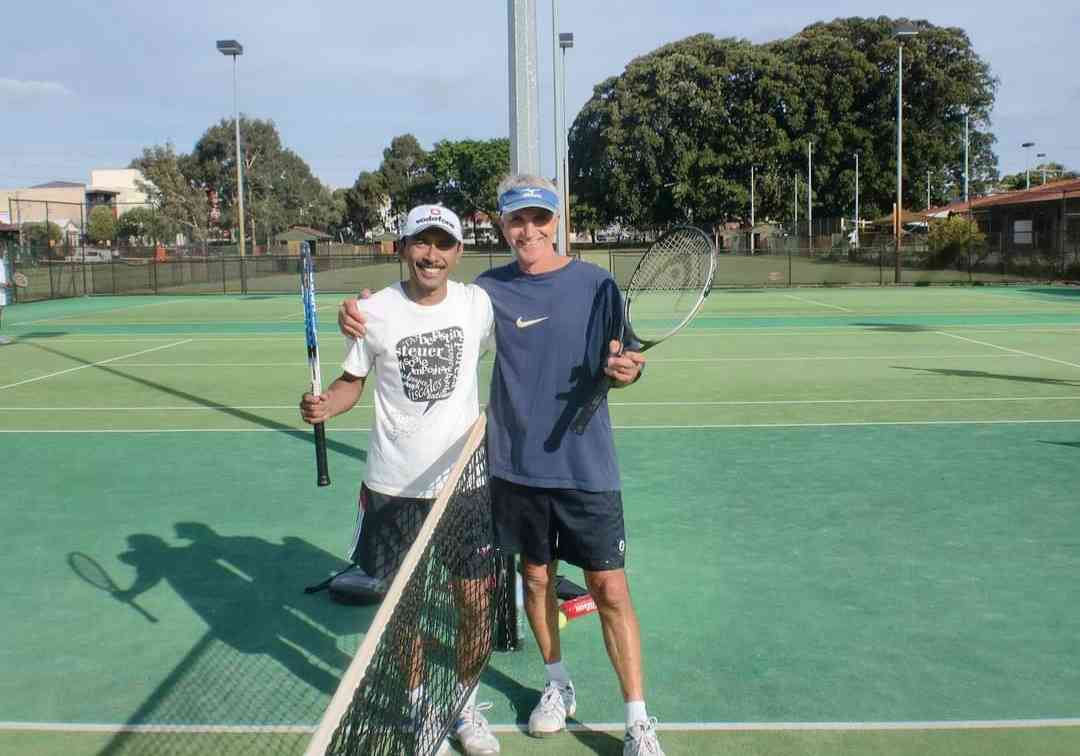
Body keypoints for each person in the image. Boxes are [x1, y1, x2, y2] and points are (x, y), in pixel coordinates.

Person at [338, 175, 664, 756]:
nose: (529, 231)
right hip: (512, 470)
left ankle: (638, 720)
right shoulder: (488, 293)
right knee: (535, 580)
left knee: (609, 588)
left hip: (587, 466)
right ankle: (556, 686)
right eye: (518, 221)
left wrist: (629, 370)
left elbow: (626, 356)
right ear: (501, 226)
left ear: (557, 221)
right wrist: (357, 314)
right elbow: (421, 309)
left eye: (540, 219)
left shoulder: (599, 287)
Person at [301, 204, 500, 756]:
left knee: (473, 603)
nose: (431, 254)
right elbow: (349, 384)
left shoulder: (476, 306)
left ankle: (464, 706)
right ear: (402, 247)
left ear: (458, 252)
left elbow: (522, 349)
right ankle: (417, 709)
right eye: (421, 242)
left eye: (443, 244)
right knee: (401, 612)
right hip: (392, 488)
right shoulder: (374, 313)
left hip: (463, 483)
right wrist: (325, 407)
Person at [0, 248, 12, 345]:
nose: (4, 251)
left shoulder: (1, 261)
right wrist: (4, 284)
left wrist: (6, 283)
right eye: (2, 249)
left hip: (1, 292)